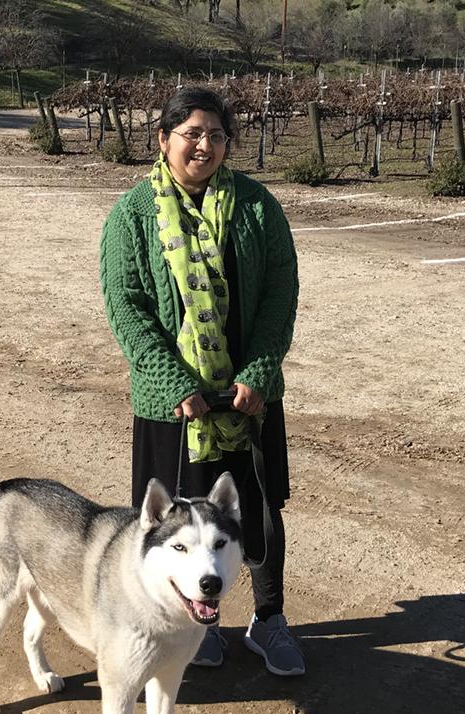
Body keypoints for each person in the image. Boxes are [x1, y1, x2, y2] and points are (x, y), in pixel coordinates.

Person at [99, 86, 303, 676]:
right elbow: (127, 306)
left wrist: (259, 372)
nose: (204, 145)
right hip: (173, 406)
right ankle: (195, 622)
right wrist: (171, 382)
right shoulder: (133, 215)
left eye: (215, 135)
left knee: (257, 511)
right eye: (191, 133)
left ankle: (270, 620)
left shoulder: (258, 208)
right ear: (163, 140)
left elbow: (279, 296)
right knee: (177, 524)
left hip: (249, 397)